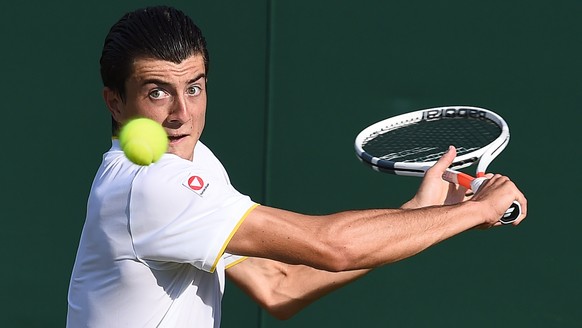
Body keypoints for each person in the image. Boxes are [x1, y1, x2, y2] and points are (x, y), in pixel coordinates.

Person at [66, 5, 527, 328]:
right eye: (157, 91)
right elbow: (331, 247)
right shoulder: (148, 187)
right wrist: (476, 210)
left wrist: (419, 211)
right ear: (116, 102)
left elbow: (278, 287)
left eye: (194, 87)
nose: (182, 115)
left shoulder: (193, 163)